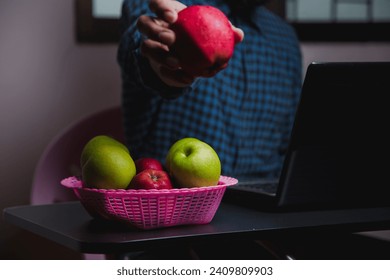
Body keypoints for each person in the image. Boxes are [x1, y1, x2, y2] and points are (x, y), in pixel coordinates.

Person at [117, 0, 302, 180]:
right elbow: (138, 41)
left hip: (264, 202)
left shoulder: (285, 38)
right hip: (173, 201)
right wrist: (158, 63)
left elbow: (290, 143)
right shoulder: (168, 9)